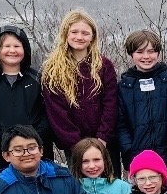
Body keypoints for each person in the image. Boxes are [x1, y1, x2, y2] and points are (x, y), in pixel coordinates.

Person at [0, 25, 51, 172]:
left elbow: (49, 111)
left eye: (17, 46)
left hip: (36, 152)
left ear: (25, 49)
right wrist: (5, 137)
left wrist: (32, 139)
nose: (12, 50)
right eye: (6, 46)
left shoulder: (39, 78)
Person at [117, 30, 167, 194]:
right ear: (131, 54)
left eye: (151, 51)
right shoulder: (124, 86)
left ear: (158, 52)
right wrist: (130, 151)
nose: (146, 56)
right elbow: (120, 124)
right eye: (139, 52)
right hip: (137, 160)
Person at [41, 9, 118, 155]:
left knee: (109, 179)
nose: (79, 37)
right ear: (66, 34)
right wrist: (76, 144)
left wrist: (102, 138)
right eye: (74, 32)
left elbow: (111, 104)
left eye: (85, 33)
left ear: (92, 37)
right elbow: (57, 112)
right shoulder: (53, 70)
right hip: (74, 148)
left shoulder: (103, 66)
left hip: (105, 145)